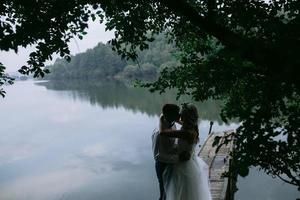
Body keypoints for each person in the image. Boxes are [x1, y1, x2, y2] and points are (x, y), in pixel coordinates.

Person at [160, 103, 212, 200]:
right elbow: (180, 122)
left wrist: (161, 118)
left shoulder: (186, 133)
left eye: (182, 114)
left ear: (186, 116)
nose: (180, 115)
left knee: (182, 193)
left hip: (183, 165)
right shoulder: (192, 127)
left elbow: (163, 132)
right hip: (190, 162)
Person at [152, 104, 190, 200]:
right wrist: (179, 158)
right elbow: (158, 156)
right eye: (176, 114)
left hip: (172, 161)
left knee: (173, 191)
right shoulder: (159, 134)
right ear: (168, 115)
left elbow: (172, 144)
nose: (179, 116)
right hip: (163, 165)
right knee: (164, 193)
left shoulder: (172, 124)